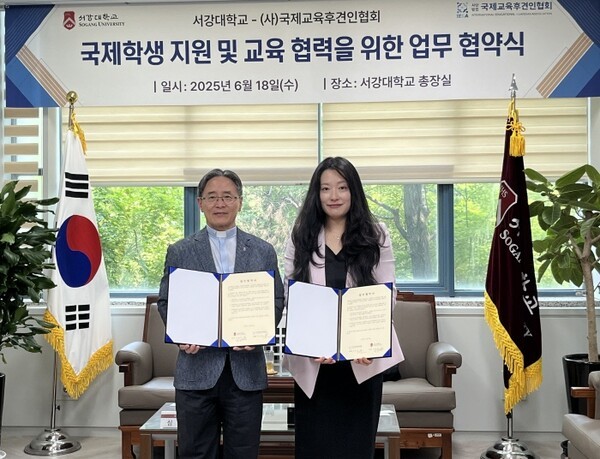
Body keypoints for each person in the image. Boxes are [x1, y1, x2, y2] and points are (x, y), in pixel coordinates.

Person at [157, 168, 284, 459]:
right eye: (212, 197)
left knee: (243, 452)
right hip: (196, 369)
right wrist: (182, 336)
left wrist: (259, 333)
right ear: (200, 203)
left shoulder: (263, 251)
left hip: (245, 371)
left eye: (228, 196)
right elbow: (167, 301)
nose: (220, 203)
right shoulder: (180, 251)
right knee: (196, 452)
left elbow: (275, 300)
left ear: (240, 202)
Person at [283, 156, 404, 459]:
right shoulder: (300, 235)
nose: (333, 196)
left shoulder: (376, 235)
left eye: (342, 187)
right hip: (314, 361)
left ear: (354, 191)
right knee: (314, 447)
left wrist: (367, 342)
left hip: (362, 360)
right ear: (317, 194)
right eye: (325, 188)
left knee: (356, 447)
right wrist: (312, 343)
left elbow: (385, 293)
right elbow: (293, 296)